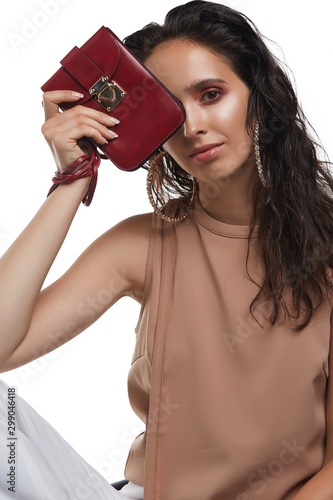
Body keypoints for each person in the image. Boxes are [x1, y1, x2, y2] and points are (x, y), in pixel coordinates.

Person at [0, 0, 332, 499]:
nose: (193, 125)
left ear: (258, 98)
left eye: (212, 94)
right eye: (171, 112)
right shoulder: (142, 244)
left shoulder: (325, 246)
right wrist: (73, 178)